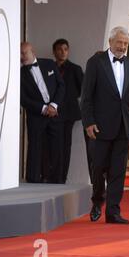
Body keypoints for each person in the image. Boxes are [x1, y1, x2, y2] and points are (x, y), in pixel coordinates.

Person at [81, 26, 129, 224]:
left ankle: (113, 212)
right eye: (119, 42)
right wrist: (88, 122)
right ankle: (98, 201)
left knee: (118, 171)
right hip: (100, 127)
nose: (122, 46)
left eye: (125, 43)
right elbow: (86, 96)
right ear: (110, 42)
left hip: (124, 126)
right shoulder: (95, 62)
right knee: (97, 168)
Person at [20, 42, 65, 184]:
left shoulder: (49, 64)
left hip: (54, 113)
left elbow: (61, 86)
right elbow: (22, 98)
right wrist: (43, 108)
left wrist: (53, 105)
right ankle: (33, 179)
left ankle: (57, 180)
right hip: (35, 115)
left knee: (57, 147)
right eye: (19, 54)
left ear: (32, 51)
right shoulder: (19, 73)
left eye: (23, 53)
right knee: (34, 147)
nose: (21, 57)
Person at [52, 38, 85, 183]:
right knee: (54, 145)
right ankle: (52, 175)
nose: (63, 52)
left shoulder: (75, 68)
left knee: (66, 145)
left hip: (69, 112)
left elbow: (82, 89)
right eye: (60, 49)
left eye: (65, 49)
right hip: (53, 112)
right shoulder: (49, 67)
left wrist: (69, 97)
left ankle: (62, 177)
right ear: (54, 52)